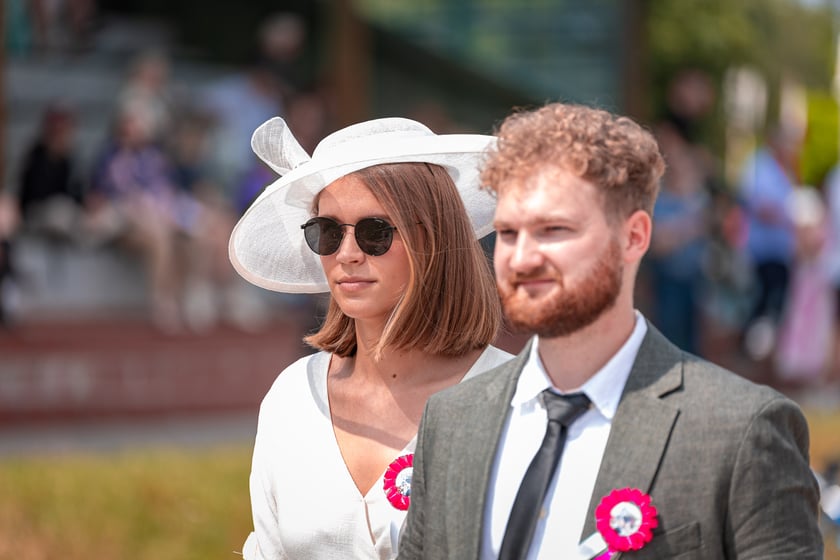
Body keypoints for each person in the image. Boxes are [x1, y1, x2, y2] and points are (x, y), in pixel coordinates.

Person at [398, 102, 823, 559]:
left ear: (634, 237)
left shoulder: (741, 430)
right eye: (507, 233)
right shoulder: (450, 420)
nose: (521, 258)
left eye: (553, 229)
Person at [228, 116, 513, 559]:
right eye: (326, 232)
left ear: (434, 237)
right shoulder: (292, 397)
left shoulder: (519, 400)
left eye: (375, 232)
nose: (346, 254)